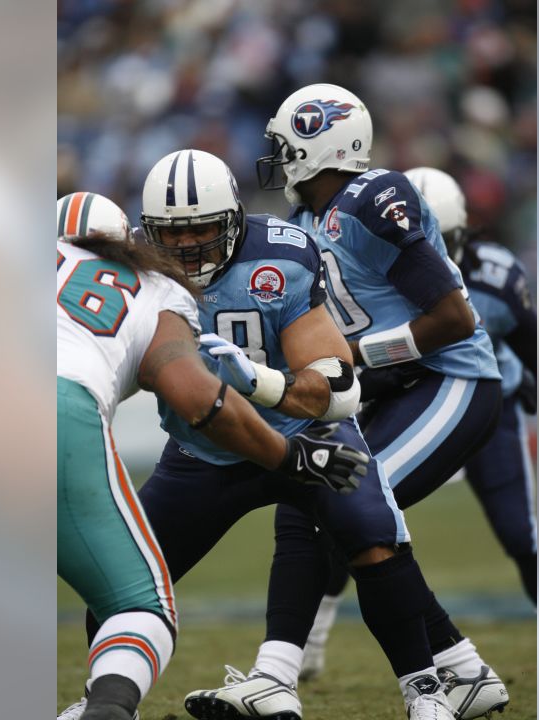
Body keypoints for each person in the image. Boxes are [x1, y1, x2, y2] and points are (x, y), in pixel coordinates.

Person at [82, 149, 464, 720]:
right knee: (119, 577)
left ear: (233, 219)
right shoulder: (138, 268)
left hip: (304, 435)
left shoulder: (280, 256)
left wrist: (259, 382)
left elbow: (336, 386)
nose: (187, 246)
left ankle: (427, 692)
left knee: (373, 537)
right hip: (204, 452)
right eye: (172, 233)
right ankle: (105, 702)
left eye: (204, 228)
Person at [188, 83, 513, 720]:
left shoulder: (370, 198)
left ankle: (276, 676)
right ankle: (464, 671)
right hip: (395, 390)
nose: (276, 158)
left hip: (453, 378)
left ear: (318, 144)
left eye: (286, 146)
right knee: (324, 502)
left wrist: (359, 358)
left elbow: (453, 317)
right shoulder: (304, 224)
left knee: (337, 502)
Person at [56, 191, 370, 720]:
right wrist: (289, 455)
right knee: (137, 605)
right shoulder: (158, 289)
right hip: (55, 409)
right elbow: (202, 402)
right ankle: (106, 709)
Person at [404, 166, 537, 604]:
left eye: (441, 241)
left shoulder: (494, 280)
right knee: (358, 520)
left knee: (520, 533)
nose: (431, 258)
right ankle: (308, 641)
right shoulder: (364, 280)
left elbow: (533, 346)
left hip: (488, 408)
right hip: (402, 406)